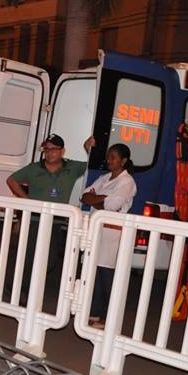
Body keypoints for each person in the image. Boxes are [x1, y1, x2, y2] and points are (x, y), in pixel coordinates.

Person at [6, 133, 88, 299]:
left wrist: (88, 149)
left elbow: (92, 165)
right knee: (30, 256)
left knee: (50, 260)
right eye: (47, 149)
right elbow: (12, 180)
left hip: (56, 222)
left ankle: (21, 286)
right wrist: (27, 200)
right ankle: (22, 290)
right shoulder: (34, 168)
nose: (50, 153)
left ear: (62, 151)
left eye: (54, 149)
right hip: (35, 220)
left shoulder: (72, 168)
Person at [82, 141, 137, 329]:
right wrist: (102, 200)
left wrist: (98, 199)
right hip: (97, 231)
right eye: (108, 156)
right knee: (95, 274)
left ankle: (109, 318)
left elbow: (113, 206)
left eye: (113, 157)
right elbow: (84, 196)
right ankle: (95, 314)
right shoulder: (105, 178)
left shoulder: (127, 181)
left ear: (124, 161)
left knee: (108, 277)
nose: (109, 160)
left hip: (112, 235)